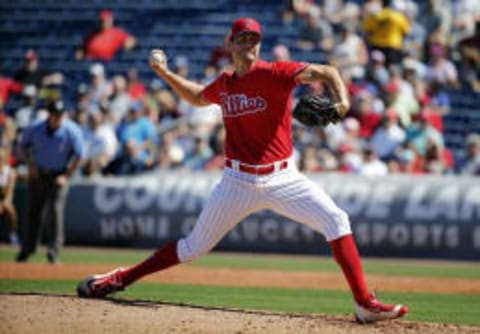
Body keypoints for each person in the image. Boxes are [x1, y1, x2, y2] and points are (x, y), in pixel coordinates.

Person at [77, 18, 408, 323]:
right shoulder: (223, 84)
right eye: (243, 39)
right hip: (237, 181)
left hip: (283, 178)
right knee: (193, 248)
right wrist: (164, 74)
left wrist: (343, 103)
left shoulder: (276, 73)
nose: (250, 45)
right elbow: (196, 96)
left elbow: (328, 71)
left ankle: (364, 303)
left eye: (255, 39)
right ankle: (119, 278)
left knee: (337, 220)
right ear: (230, 44)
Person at [16, 100, 86, 264]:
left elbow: (80, 156)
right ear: (49, 115)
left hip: (59, 175)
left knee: (55, 211)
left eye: (61, 115)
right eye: (55, 115)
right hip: (38, 173)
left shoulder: (71, 130)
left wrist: (67, 176)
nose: (58, 118)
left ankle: (53, 251)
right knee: (34, 211)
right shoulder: (36, 127)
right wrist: (30, 165)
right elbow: (22, 147)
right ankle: (27, 249)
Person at [0, 146, 19, 246]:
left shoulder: (10, 172)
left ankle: (13, 235)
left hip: (5, 200)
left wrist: (4, 203)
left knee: (10, 210)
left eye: (1, 157)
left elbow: (9, 193)